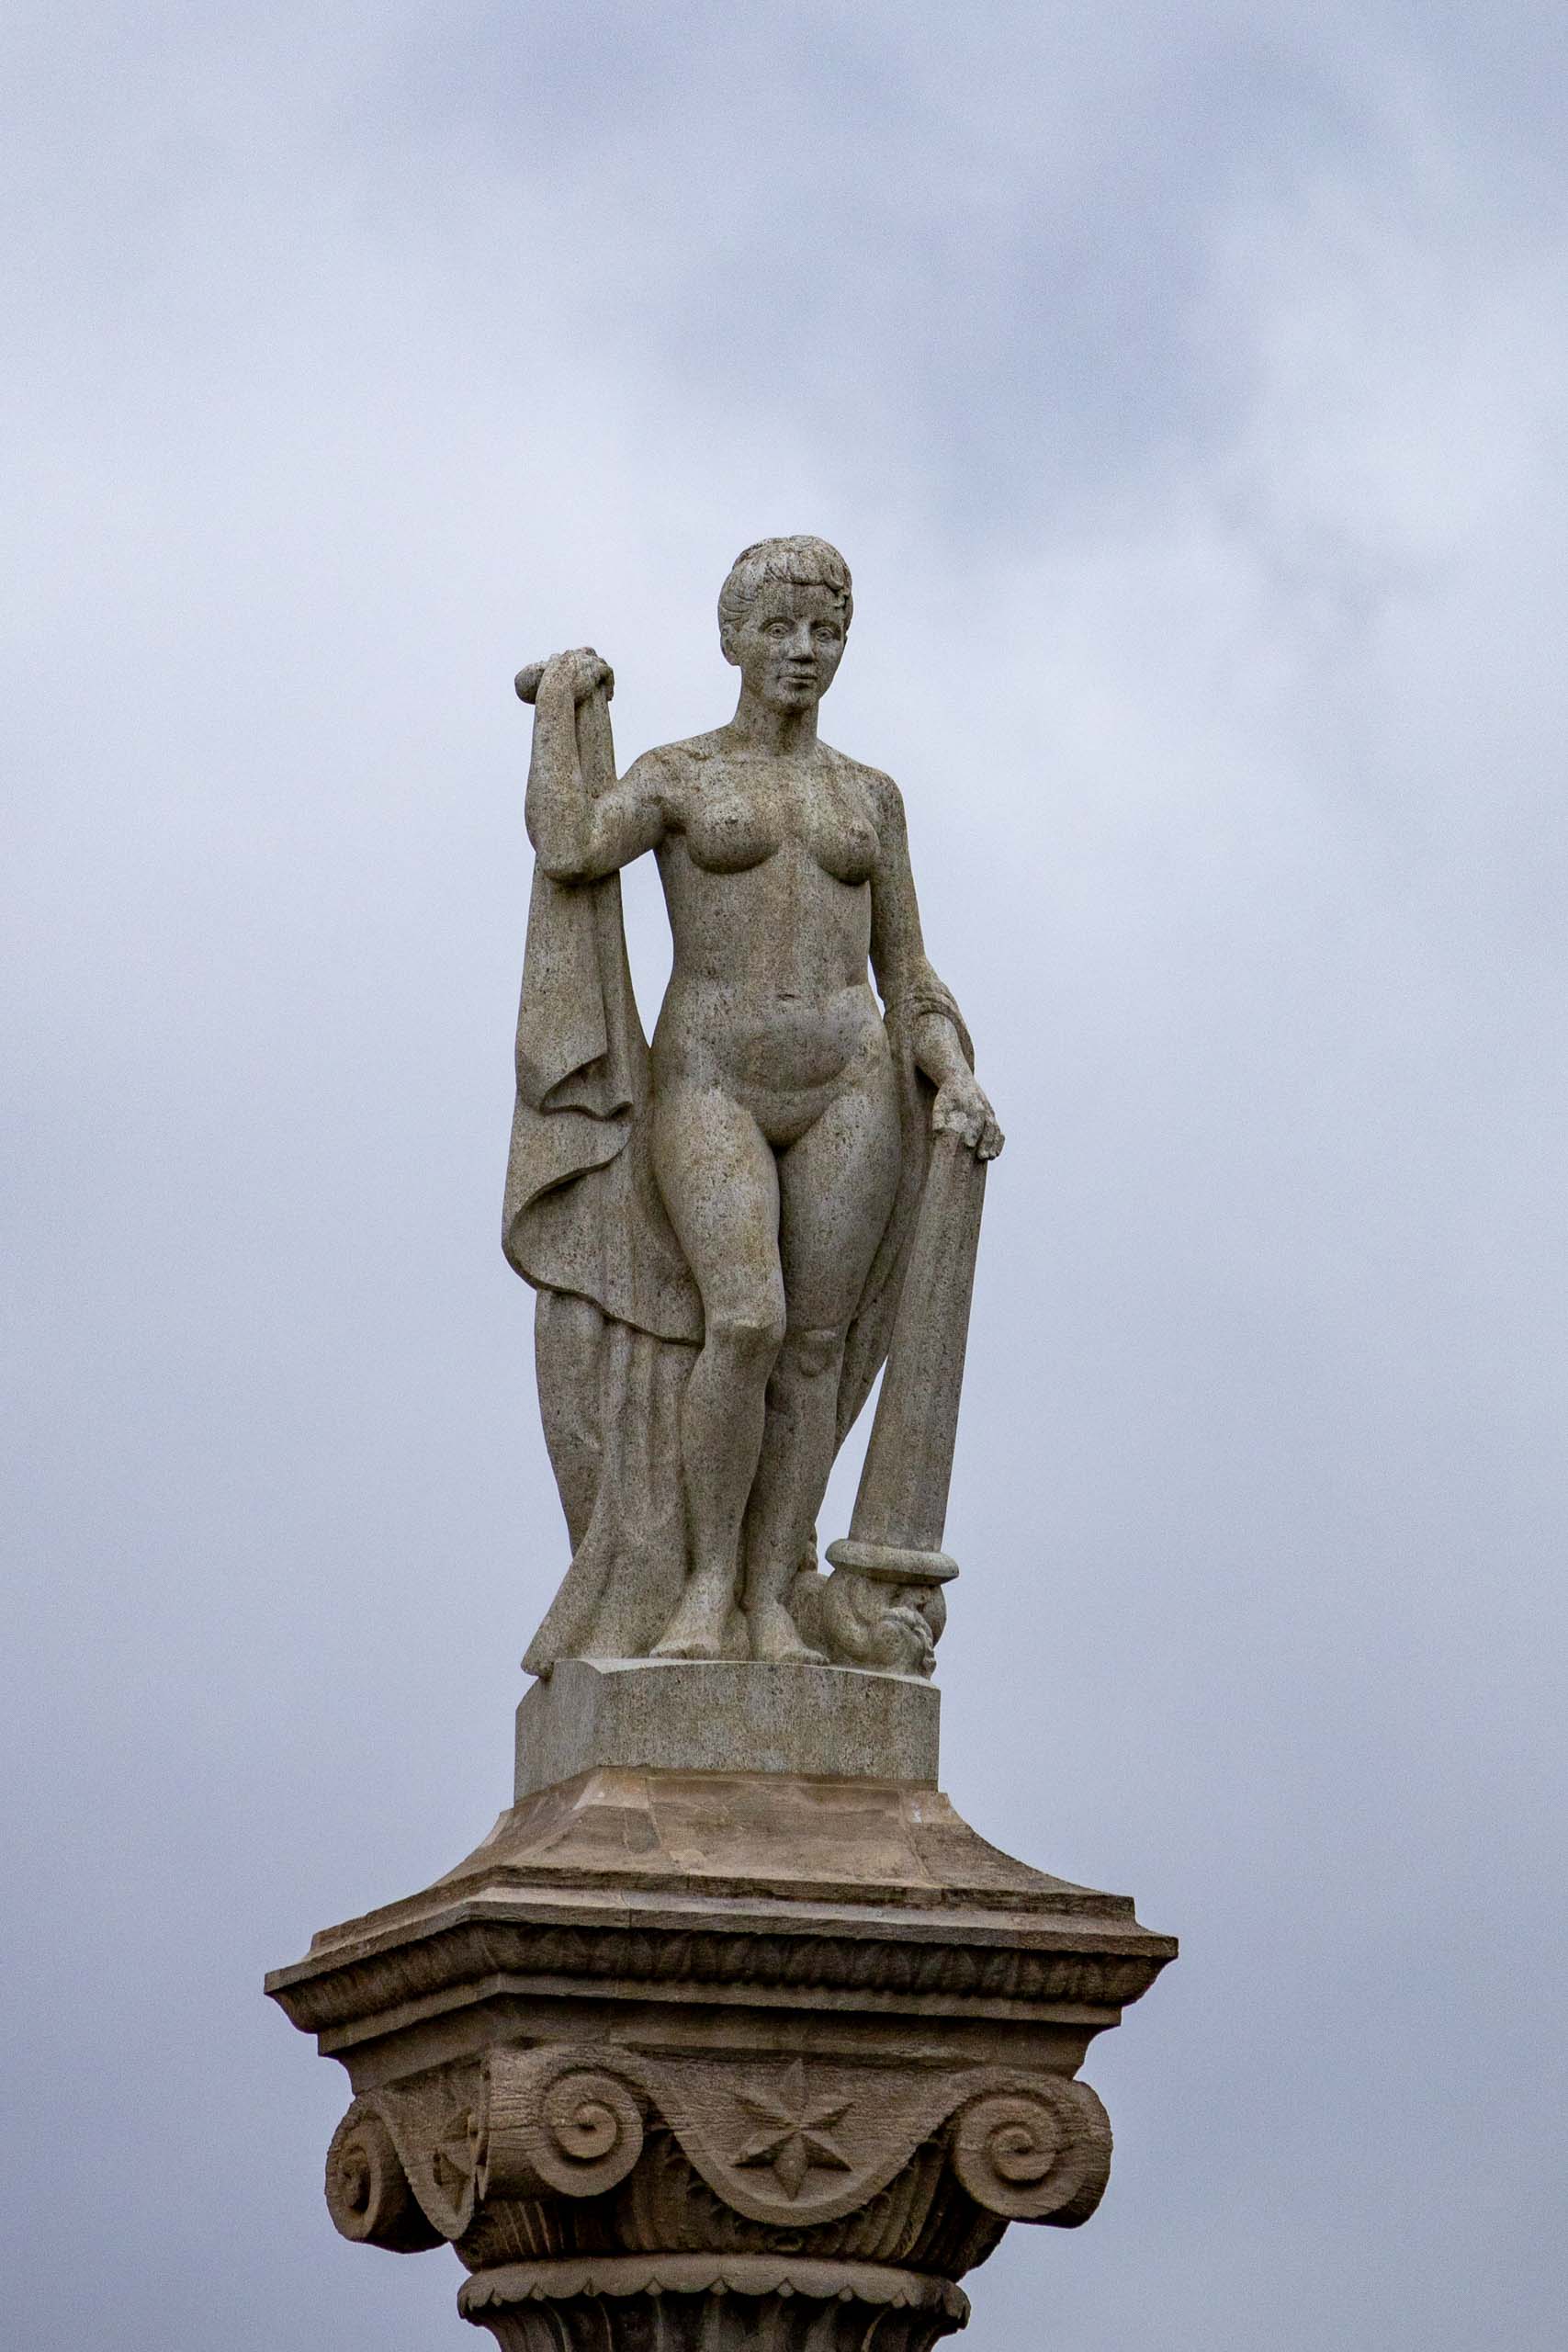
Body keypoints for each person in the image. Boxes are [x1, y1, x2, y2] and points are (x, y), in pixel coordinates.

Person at [508, 536, 1001, 1668]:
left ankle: (775, 1589)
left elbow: (907, 972)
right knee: (745, 1321)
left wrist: (952, 1069)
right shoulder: (682, 775)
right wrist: (558, 714)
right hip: (712, 1077)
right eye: (778, 628)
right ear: (732, 639)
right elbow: (572, 846)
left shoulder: (869, 797)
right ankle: (706, 1583)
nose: (802, 650)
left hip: (849, 1083)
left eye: (824, 630)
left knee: (814, 1347)